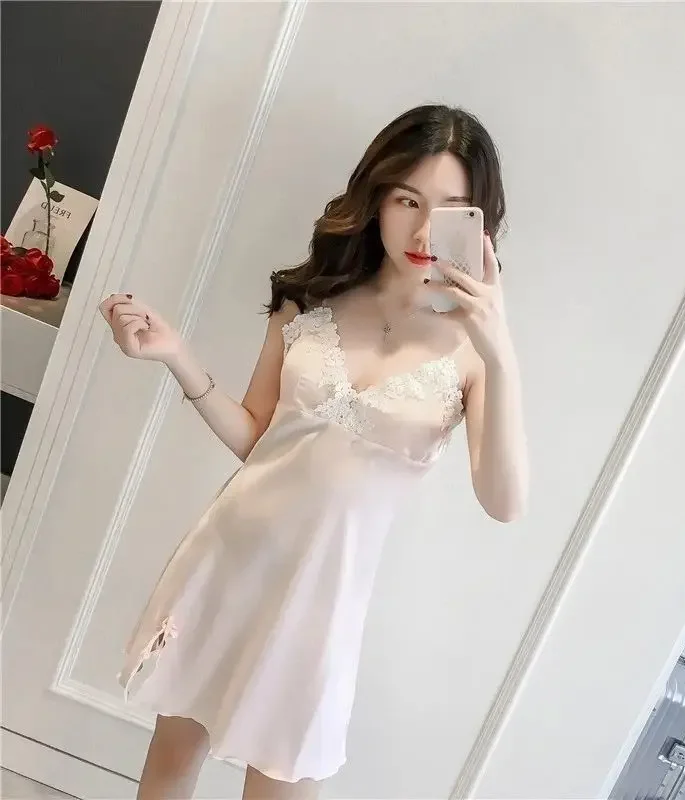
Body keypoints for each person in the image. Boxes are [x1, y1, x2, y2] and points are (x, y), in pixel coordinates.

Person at [98, 104, 528, 800]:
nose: (424, 230)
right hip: (229, 561)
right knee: (170, 771)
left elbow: (504, 503)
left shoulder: (475, 350)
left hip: (320, 609)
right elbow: (257, 439)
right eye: (407, 200)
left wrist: (500, 352)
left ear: (479, 220)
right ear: (376, 197)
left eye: (450, 208)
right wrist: (177, 356)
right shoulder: (310, 299)